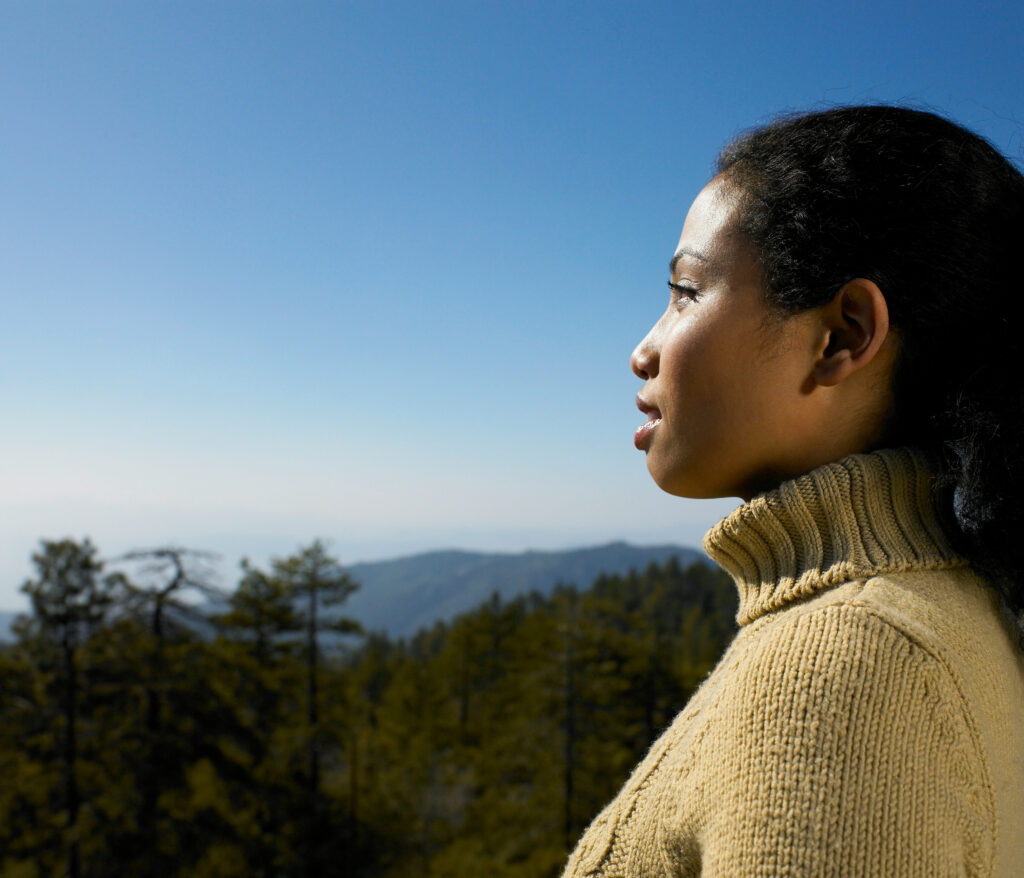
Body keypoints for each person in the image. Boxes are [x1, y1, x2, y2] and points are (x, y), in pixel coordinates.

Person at [562, 105, 1024, 877]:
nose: (643, 350)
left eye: (685, 291)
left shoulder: (842, 670)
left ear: (843, 335)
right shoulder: (952, 611)